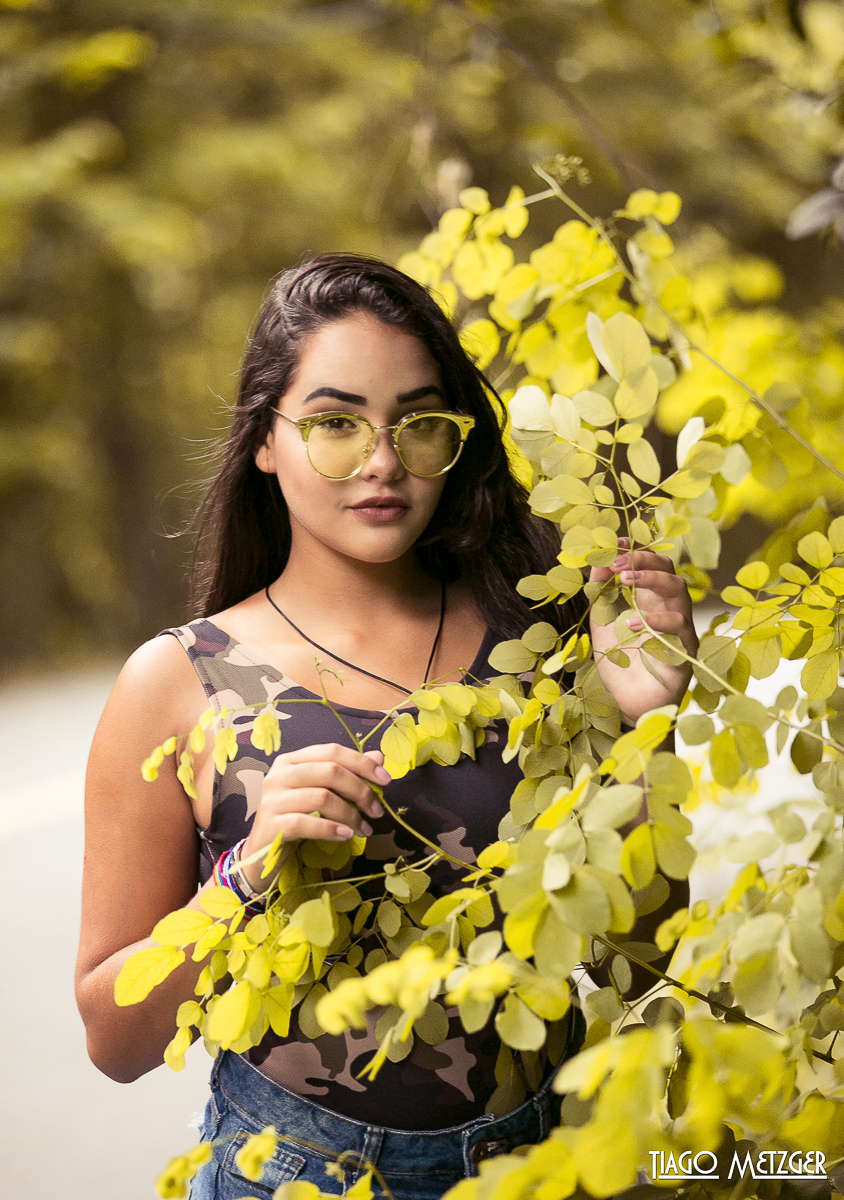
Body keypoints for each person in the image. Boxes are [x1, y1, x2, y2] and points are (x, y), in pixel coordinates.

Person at [75, 255, 696, 1200]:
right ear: (265, 441)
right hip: (294, 1176)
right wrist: (248, 877)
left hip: (545, 1164)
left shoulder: (543, 646)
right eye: (334, 423)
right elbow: (114, 1044)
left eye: (418, 423)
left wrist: (650, 724)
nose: (382, 460)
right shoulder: (176, 684)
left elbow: (648, 959)